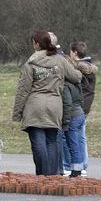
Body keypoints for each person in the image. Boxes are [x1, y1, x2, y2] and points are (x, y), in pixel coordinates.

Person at [12, 30, 82, 176]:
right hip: (54, 106)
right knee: (52, 140)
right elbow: (76, 77)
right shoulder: (60, 60)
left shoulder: (30, 63)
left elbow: (23, 90)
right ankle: (51, 176)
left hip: (34, 106)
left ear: (37, 44)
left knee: (38, 141)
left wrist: (17, 113)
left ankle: (42, 175)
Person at [70, 41, 97, 175]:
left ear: (75, 53)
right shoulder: (90, 67)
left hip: (80, 106)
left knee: (77, 135)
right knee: (82, 136)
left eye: (71, 52)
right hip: (87, 105)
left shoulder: (79, 69)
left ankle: (79, 164)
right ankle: (84, 164)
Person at [62, 74, 86, 177]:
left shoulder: (66, 85)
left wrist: (66, 121)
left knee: (73, 145)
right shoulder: (76, 82)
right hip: (80, 113)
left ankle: (76, 171)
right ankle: (80, 167)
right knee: (79, 144)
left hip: (72, 116)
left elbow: (67, 103)